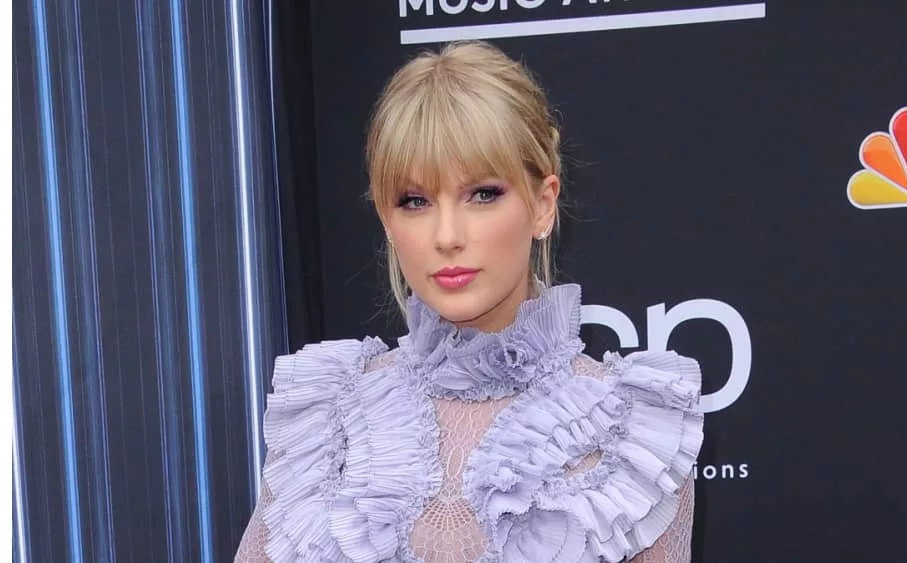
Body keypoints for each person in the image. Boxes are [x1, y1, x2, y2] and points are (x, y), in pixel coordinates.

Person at [235, 41, 704, 563]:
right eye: (415, 201)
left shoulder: (633, 436)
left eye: (482, 194)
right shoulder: (327, 422)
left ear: (543, 204)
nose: (447, 235)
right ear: (389, 222)